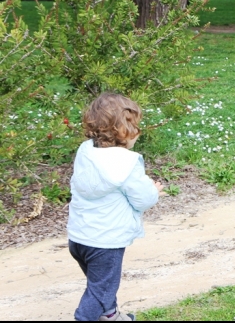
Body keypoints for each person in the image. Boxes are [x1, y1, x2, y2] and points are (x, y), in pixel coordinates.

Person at [67, 93, 163, 321]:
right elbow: (143, 199)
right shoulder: (127, 163)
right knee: (100, 291)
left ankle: (110, 316)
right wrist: (154, 191)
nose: (138, 131)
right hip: (105, 243)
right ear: (125, 130)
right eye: (135, 125)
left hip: (79, 237)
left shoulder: (85, 151)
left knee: (100, 284)